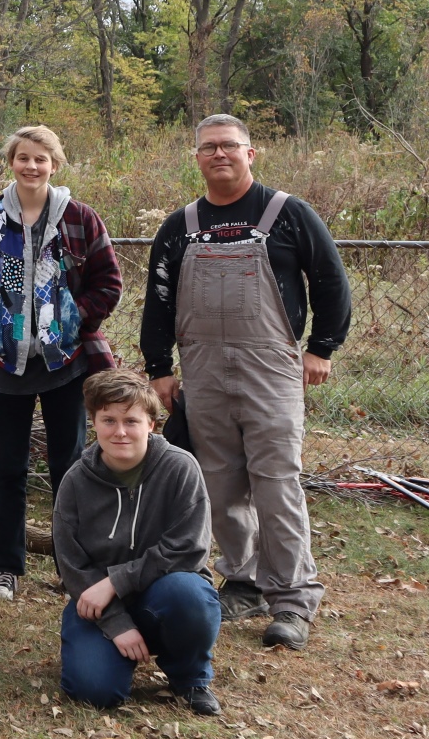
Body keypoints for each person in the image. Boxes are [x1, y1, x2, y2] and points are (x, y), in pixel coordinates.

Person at [140, 113, 351, 649]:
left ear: (250, 153)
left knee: (276, 479)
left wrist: (322, 348)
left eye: (229, 146)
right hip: (202, 368)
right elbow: (158, 302)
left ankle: (292, 599)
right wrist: (160, 369)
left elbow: (330, 280)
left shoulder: (287, 213)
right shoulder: (180, 226)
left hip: (272, 366)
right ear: (197, 158)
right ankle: (243, 580)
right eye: (208, 148)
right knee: (219, 481)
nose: (219, 155)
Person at [0, 126, 122, 603]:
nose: (31, 166)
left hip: (67, 361)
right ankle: (7, 568)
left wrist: (71, 318)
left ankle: (74, 567)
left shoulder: (80, 220)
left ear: (54, 164)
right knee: (8, 467)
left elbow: (109, 282)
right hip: (3, 362)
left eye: (40, 159)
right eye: (23, 158)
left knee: (71, 465)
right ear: (12, 163)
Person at [56, 369, 222, 716]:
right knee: (94, 691)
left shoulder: (179, 468)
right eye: (108, 420)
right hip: (98, 605)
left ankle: (189, 676)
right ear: (94, 422)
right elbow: (72, 564)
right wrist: (117, 623)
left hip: (163, 594)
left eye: (131, 421)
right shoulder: (76, 481)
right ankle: (115, 654)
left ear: (151, 424)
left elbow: (189, 548)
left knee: (189, 594)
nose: (119, 431)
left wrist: (117, 581)